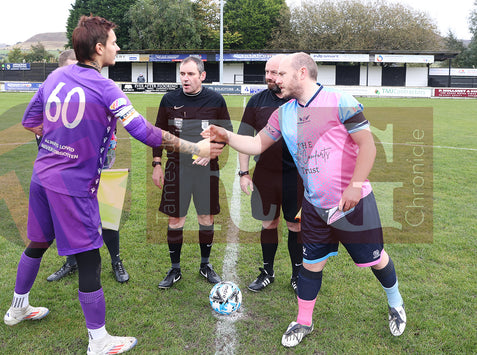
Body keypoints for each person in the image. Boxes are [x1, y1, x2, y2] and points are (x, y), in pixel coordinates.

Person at [4, 15, 219, 355]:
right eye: (115, 42)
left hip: (41, 177)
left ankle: (18, 307)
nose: (118, 47)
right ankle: (99, 341)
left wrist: (61, 141)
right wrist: (196, 147)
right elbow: (144, 132)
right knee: (90, 260)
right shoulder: (105, 87)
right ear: (99, 48)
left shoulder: (57, 74)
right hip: (73, 187)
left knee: (38, 242)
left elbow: (31, 121)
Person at [204, 52, 406, 347]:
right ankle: (303, 321)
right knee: (311, 265)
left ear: (301, 72)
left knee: (375, 259)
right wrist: (225, 134)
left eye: (281, 75)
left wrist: (355, 185)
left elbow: (368, 146)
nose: (275, 80)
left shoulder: (341, 101)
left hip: (353, 204)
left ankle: (395, 302)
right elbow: (256, 143)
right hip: (313, 206)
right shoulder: (282, 112)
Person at [41, 49, 129, 284]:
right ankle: (71, 262)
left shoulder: (101, 87)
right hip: (61, 168)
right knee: (65, 215)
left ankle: (116, 261)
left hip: (98, 164)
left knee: (106, 211)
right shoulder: (55, 91)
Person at [152, 56, 233, 289]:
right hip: (176, 168)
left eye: (190, 74)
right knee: (176, 219)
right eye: (182, 74)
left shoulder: (215, 100)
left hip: (206, 169)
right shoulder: (169, 99)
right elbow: (159, 133)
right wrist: (156, 164)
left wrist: (212, 152)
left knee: (206, 218)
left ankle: (205, 265)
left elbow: (226, 133)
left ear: (202, 76)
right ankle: (175, 269)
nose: (185, 79)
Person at [237, 54, 303, 293]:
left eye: (275, 72)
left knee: (296, 226)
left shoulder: (299, 100)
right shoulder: (257, 101)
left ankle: (298, 275)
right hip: (265, 174)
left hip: (296, 176)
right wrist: (244, 172)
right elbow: (244, 138)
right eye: (267, 71)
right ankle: (267, 271)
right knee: (268, 224)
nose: (269, 77)